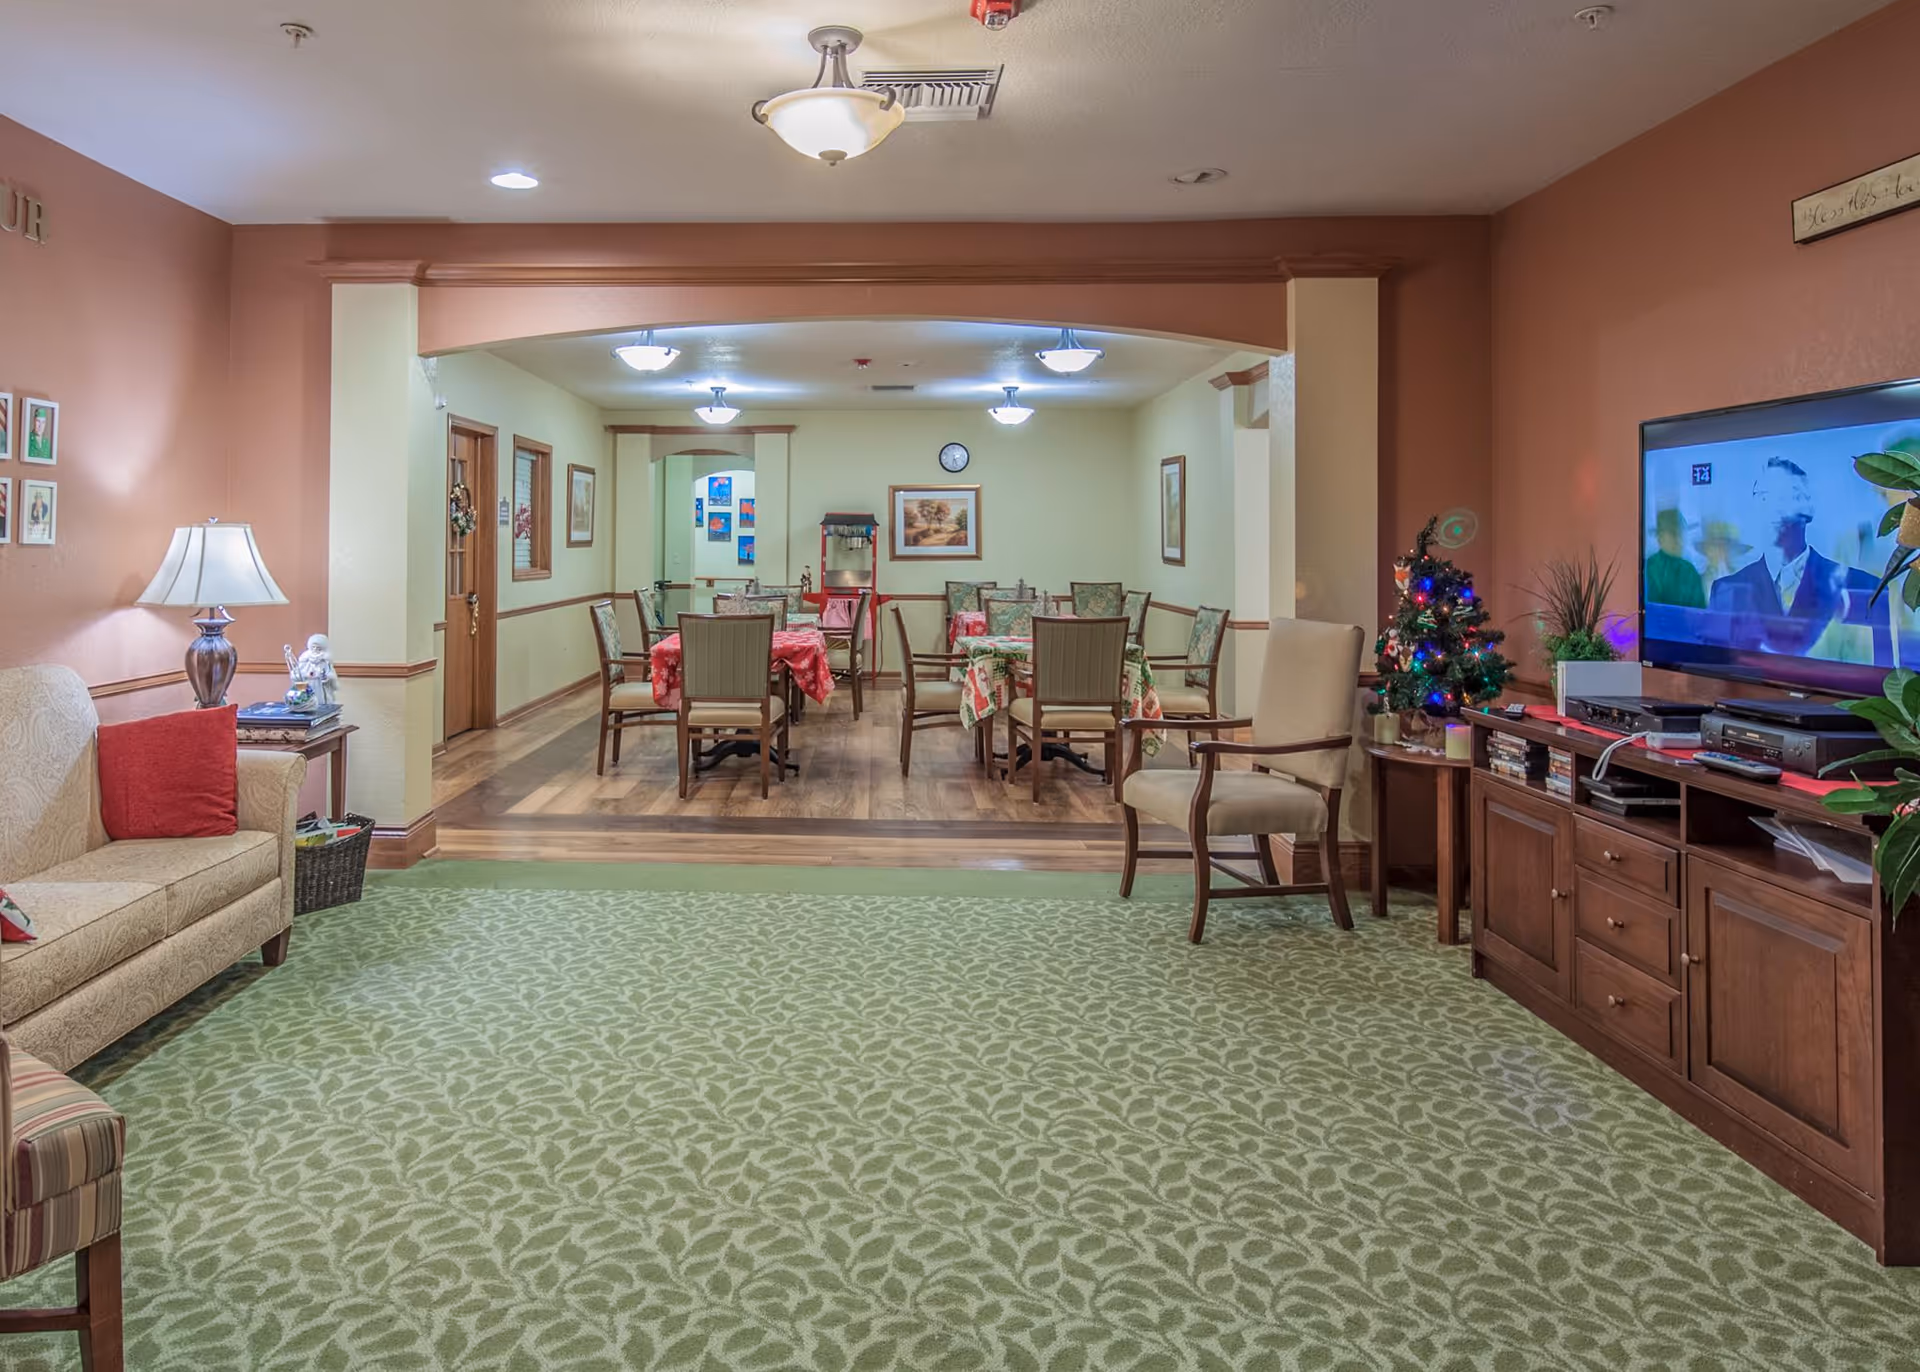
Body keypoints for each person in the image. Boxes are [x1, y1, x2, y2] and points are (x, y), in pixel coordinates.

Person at [1707, 457, 1852, 655]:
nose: (1775, 508)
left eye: (1786, 497)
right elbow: (1715, 666)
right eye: (1765, 497)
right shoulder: (1726, 590)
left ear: (1809, 509)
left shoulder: (1855, 584)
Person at [1644, 507, 1706, 608]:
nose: (1679, 540)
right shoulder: (1650, 567)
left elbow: (1699, 612)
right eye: (1673, 534)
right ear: (1660, 537)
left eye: (1680, 533)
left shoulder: (1690, 571)